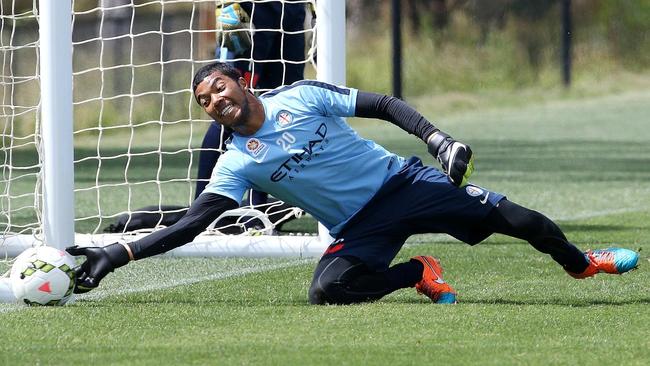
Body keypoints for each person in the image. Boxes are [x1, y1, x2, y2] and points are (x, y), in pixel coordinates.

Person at [67, 62, 640, 304]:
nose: (215, 101)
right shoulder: (237, 162)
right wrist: (117, 255)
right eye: (204, 101)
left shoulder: (303, 97)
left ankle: (580, 262)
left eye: (219, 88)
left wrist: (437, 140)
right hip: (359, 226)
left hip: (402, 184)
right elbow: (194, 223)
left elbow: (384, 104)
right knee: (327, 291)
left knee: (514, 219)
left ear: (242, 82)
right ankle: (419, 272)